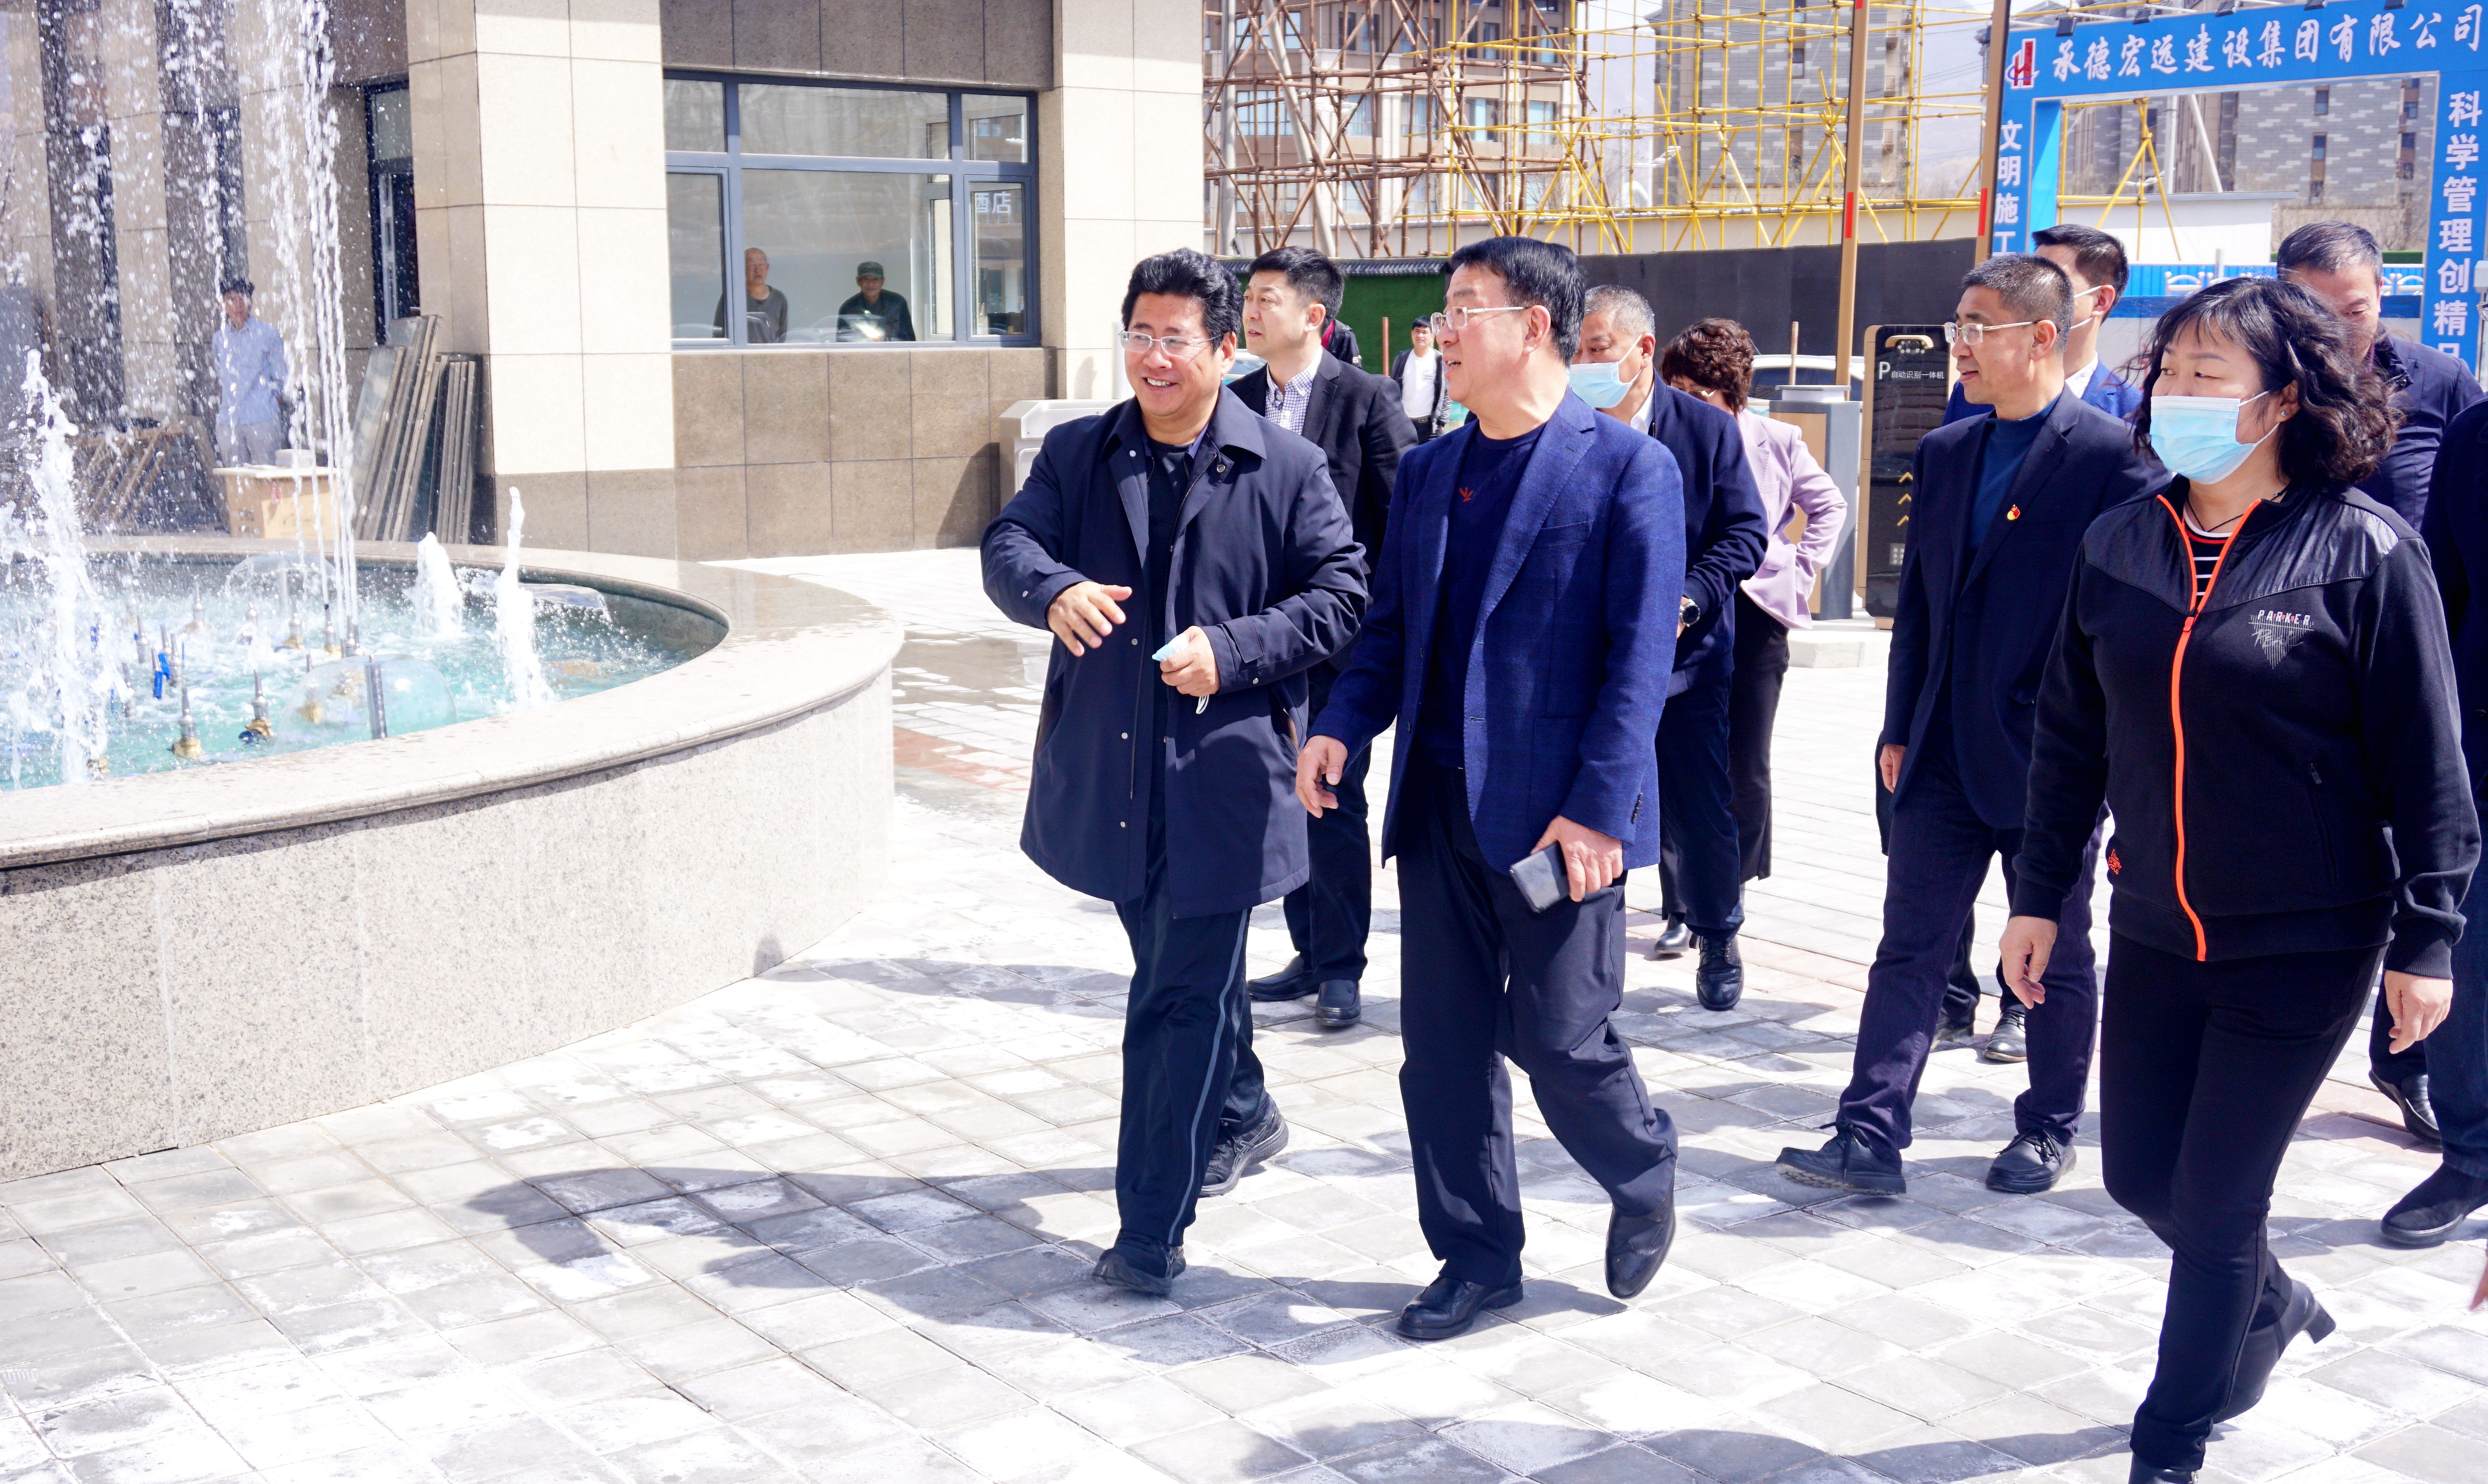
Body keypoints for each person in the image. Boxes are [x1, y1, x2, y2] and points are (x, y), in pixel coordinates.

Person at [1998, 273, 2476, 1484]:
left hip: (2305, 941)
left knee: (2215, 1206)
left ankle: (2171, 1435)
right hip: (2157, 924)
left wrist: (2426, 939)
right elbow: (2070, 739)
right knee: (2137, 1177)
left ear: (2282, 402)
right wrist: (2040, 895)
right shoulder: (2120, 543)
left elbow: (2427, 762)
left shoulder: (2365, 552)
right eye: (2168, 372)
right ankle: (2270, 1302)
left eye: (2207, 376)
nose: (2176, 394)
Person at [1300, 237, 1684, 1342]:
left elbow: (1637, 662)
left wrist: (1599, 809)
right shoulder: (1430, 471)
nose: (1446, 330)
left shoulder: (1626, 469)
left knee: (1559, 1036)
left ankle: (1641, 1166)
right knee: (1444, 1051)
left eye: (1467, 307)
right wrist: (1340, 725)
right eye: (1448, 309)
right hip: (1437, 808)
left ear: (1533, 325)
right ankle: (1475, 1254)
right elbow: (1389, 630)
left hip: (1559, 818)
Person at [981, 249, 1365, 1296]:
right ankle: (1243, 1106)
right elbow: (1008, 543)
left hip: (1224, 785)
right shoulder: (1081, 451)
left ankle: (1151, 1226)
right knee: (1177, 966)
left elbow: (1342, 594)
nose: (1153, 357)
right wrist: (1051, 588)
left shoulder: (1285, 467)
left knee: (1172, 1001)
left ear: (1224, 348)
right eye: (1139, 336)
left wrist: (1231, 651)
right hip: (1109, 780)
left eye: (1176, 338)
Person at [1776, 254, 2162, 1200]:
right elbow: (1918, 603)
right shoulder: (1948, 450)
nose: (1960, 344)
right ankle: (1869, 1131)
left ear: (2042, 335)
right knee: (1910, 943)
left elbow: (2124, 624)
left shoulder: (2113, 459)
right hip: (1940, 748)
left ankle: (2048, 1125)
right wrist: (1898, 724)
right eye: (1957, 325)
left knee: (2053, 951)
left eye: (1977, 326)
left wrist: (2109, 758)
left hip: (2050, 759)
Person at [2277, 220, 2485, 1143]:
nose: (2336, 330)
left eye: (2353, 309)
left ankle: (2406, 1057)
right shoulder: (2263, 387)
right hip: (2286, 650)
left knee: (2418, 858)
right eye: (2312, 311)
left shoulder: (2440, 386)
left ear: (2379, 297)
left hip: (2403, 649)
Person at [1932, 222, 2141, 1058]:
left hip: (2052, 724)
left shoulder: (2128, 426)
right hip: (1956, 716)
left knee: (2052, 912)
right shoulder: (1968, 416)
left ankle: (2034, 1049)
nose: (1964, 344)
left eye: (1980, 326)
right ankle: (1943, 1008)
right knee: (1917, 921)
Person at [1231, 248, 1415, 1034]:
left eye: (1266, 298)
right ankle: (1307, 953)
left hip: (1340, 645)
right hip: (1256, 645)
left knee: (1332, 801)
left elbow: (1402, 518)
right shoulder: (1235, 399)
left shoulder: (1366, 398)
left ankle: (1341, 967)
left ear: (1313, 315)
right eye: (1247, 297)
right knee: (1281, 801)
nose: (1250, 311)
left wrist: (1376, 620)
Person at [1571, 285, 1767, 1008]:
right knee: (1598, 797)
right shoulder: (1564, 425)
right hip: (1589, 658)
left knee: (1697, 803)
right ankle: (1589, 955)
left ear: (1641, 350)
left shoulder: (1704, 430)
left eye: (1596, 349)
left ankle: (1716, 933)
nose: (1583, 365)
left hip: (1686, 660)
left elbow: (1744, 532)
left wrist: (1688, 598)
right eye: (1575, 351)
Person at [1658, 319, 1848, 889]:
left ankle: (1733, 883)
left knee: (1746, 756)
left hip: (1757, 610)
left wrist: (1800, 569)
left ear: (1732, 393)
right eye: (1676, 390)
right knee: (1678, 753)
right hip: (1687, 607)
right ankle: (1679, 897)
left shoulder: (1776, 439)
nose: (1686, 403)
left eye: (1699, 393)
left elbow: (1829, 505)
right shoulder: (1663, 436)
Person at [2385, 391, 2488, 1247]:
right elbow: (2445, 596)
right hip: (2480, 747)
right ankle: (2471, 1152)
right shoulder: (2474, 435)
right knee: (2465, 954)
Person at [1941, 221, 2142, 427]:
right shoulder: (1971, 390)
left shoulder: (2132, 412)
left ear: (2101, 300)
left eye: (2056, 280)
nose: (2033, 290)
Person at [211, 278, 286, 466]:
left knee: (266, 476)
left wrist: (268, 402)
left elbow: (281, 378)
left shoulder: (268, 335)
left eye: (242, 298)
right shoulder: (219, 339)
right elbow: (221, 374)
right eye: (231, 300)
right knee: (235, 479)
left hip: (262, 418)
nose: (238, 305)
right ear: (222, 305)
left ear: (250, 302)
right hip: (229, 421)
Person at [714, 248, 789, 344]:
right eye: (752, 265)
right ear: (742, 268)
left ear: (767, 268)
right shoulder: (733, 298)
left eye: (761, 264)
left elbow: (782, 337)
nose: (758, 269)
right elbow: (720, 334)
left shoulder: (779, 299)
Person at [1392, 318, 1449, 442]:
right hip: (1404, 425)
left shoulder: (1440, 361)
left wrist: (1442, 424)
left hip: (1430, 427)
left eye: (1424, 332)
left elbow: (1447, 393)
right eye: (1417, 331)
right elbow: (1393, 390)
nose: (1420, 336)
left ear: (1432, 336)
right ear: (1412, 334)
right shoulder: (1402, 359)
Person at [837, 261, 916, 343]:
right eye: (866, 279)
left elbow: (909, 340)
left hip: (893, 350)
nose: (871, 284)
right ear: (858, 281)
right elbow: (843, 343)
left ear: (883, 281)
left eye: (876, 279)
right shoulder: (849, 308)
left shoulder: (897, 303)